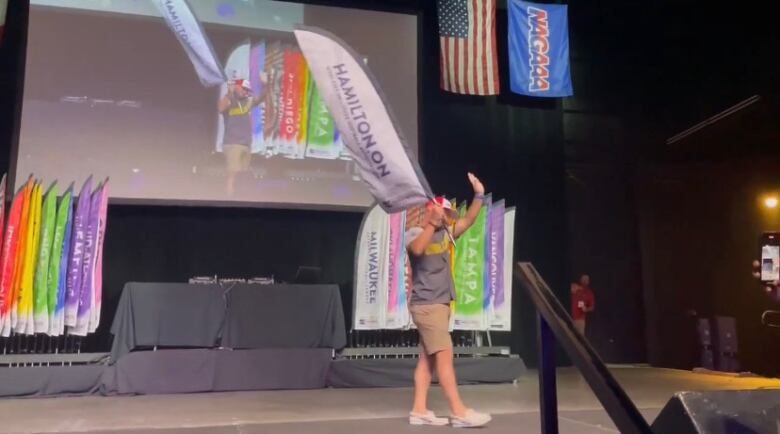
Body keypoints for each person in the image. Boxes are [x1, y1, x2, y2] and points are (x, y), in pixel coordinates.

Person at [405, 172, 492, 428]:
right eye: (443, 213)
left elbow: (470, 219)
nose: (447, 217)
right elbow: (418, 250)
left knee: (427, 359)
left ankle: (419, 410)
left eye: (447, 215)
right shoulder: (414, 233)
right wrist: (431, 223)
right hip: (427, 304)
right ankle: (459, 412)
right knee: (445, 357)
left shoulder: (446, 233)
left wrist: (479, 194)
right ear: (433, 212)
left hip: (439, 304)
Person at [217, 74, 266, 196]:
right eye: (243, 88)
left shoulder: (247, 102)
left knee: (243, 176)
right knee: (232, 175)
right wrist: (229, 93)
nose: (245, 91)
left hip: (246, 144)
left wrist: (265, 84)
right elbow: (220, 108)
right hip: (232, 143)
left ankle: (240, 199)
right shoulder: (230, 101)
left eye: (247, 89)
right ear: (236, 88)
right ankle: (229, 201)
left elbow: (261, 99)